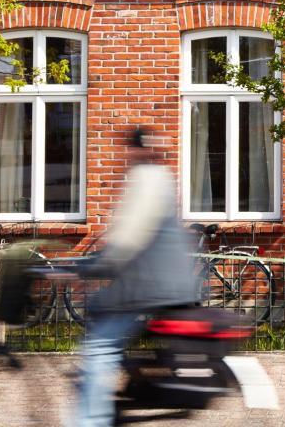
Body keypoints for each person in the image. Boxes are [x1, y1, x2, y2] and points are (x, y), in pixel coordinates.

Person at [68, 126, 199, 427]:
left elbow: (127, 241)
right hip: (165, 285)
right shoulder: (163, 178)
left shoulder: (145, 179)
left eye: (128, 149)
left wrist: (86, 268)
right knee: (104, 319)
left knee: (99, 346)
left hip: (150, 287)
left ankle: (88, 421)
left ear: (135, 150)